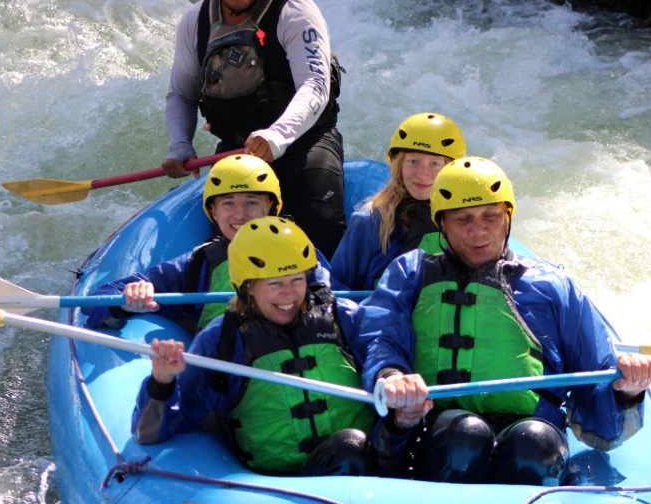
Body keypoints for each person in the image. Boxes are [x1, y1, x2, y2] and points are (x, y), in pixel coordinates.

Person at [356, 156, 651, 486]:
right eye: (463, 219)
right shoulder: (411, 273)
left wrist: (627, 392)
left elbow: (596, 379)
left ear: (508, 216)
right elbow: (380, 335)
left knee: (534, 444)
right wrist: (391, 375)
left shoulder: (551, 286)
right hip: (437, 431)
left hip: (530, 433)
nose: (479, 230)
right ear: (441, 223)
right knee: (464, 436)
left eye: (490, 216)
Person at [132, 216, 377, 476]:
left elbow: (382, 360)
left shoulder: (344, 317)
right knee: (351, 450)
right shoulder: (223, 340)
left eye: (297, 280)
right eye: (274, 283)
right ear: (248, 287)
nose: (289, 294)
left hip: (359, 467)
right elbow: (149, 433)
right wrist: (162, 381)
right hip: (272, 485)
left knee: (353, 449)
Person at [162, 0, 346, 258]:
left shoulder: (294, 9)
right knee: (227, 240)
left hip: (303, 144)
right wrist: (180, 143)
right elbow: (181, 94)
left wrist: (277, 136)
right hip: (237, 153)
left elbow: (316, 86)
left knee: (320, 215)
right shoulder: (196, 21)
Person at [83, 154, 281, 333]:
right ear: (213, 211)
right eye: (228, 203)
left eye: (252, 202)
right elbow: (94, 301)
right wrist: (127, 299)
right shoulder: (197, 265)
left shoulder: (300, 254)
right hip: (229, 365)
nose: (240, 214)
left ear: (270, 206)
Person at [330, 113, 466, 290]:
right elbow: (337, 287)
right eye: (413, 161)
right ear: (399, 165)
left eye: (434, 164)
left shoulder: (466, 223)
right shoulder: (369, 222)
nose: (422, 174)